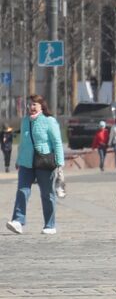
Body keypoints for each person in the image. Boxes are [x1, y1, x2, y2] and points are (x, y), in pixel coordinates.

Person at [6, 95, 64, 235]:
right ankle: (18, 221)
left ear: (41, 106)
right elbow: (23, 143)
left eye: (34, 105)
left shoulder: (49, 121)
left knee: (47, 194)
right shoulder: (25, 121)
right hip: (26, 162)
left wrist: (60, 163)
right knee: (22, 191)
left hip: (44, 162)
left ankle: (50, 225)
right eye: (29, 105)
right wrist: (18, 160)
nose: (31, 107)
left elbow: (57, 142)